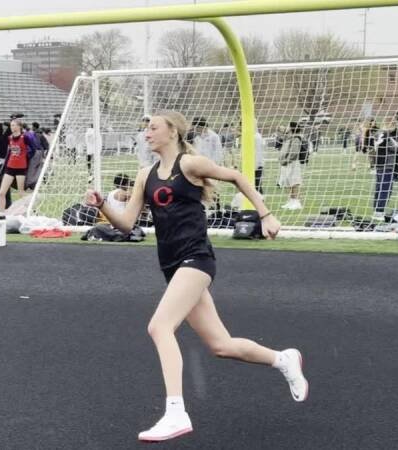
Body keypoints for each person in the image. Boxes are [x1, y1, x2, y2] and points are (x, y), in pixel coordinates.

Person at [84, 111, 307, 443]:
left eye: (153, 128)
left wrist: (266, 215)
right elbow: (127, 225)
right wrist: (102, 204)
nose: (147, 133)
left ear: (173, 132)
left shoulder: (189, 164)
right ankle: (283, 359)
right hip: (172, 265)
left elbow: (237, 177)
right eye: (146, 128)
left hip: (197, 258)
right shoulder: (145, 175)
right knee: (222, 345)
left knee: (159, 326)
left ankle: (176, 412)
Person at [0, 119, 32, 212]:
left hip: (21, 168)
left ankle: (31, 209)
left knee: (21, 192)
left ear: (19, 126)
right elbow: (10, 152)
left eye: (13, 125)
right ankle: (1, 213)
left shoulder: (25, 138)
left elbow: (33, 149)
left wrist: (27, 159)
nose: (12, 127)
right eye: (11, 125)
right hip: (10, 167)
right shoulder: (9, 138)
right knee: (1, 192)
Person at [279, 121, 304, 210]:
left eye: (288, 126)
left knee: (294, 183)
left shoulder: (296, 138)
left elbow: (294, 152)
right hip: (286, 163)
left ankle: (297, 202)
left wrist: (286, 160)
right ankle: (291, 201)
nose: (287, 127)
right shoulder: (288, 137)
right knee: (287, 183)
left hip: (292, 163)